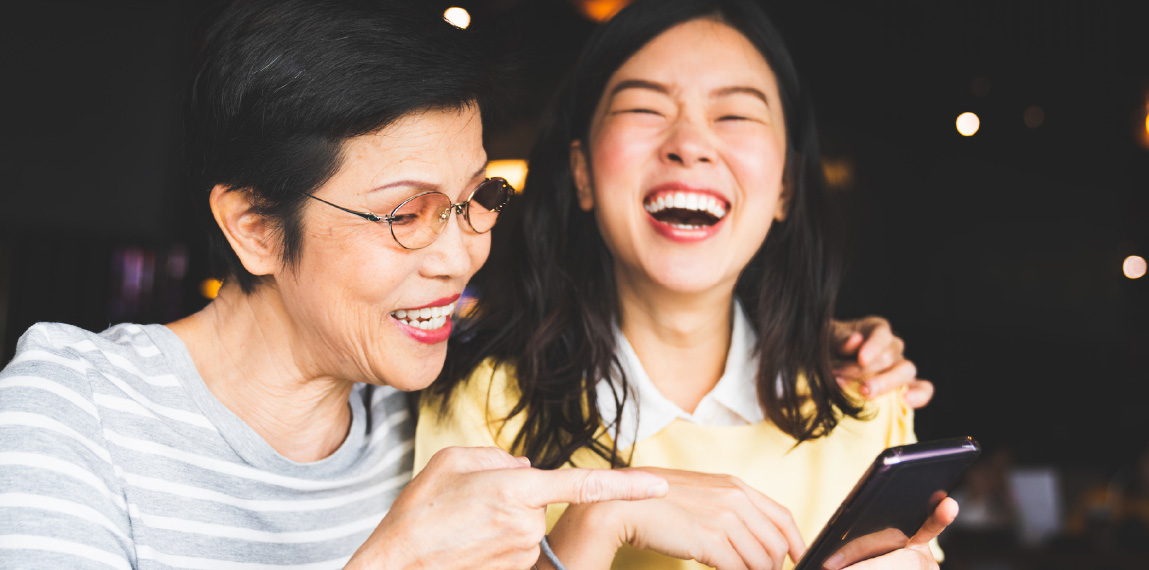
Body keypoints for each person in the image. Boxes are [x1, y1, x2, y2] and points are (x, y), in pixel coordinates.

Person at [0, 0, 672, 567]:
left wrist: (592, 529)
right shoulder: (71, 409)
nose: (460, 258)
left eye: (477, 198)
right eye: (407, 214)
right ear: (255, 228)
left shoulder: (447, 411)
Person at [417, 1, 955, 568]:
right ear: (581, 173)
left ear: (785, 188)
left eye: (736, 116)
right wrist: (601, 519)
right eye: (645, 108)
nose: (689, 143)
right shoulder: (482, 405)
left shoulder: (866, 401)